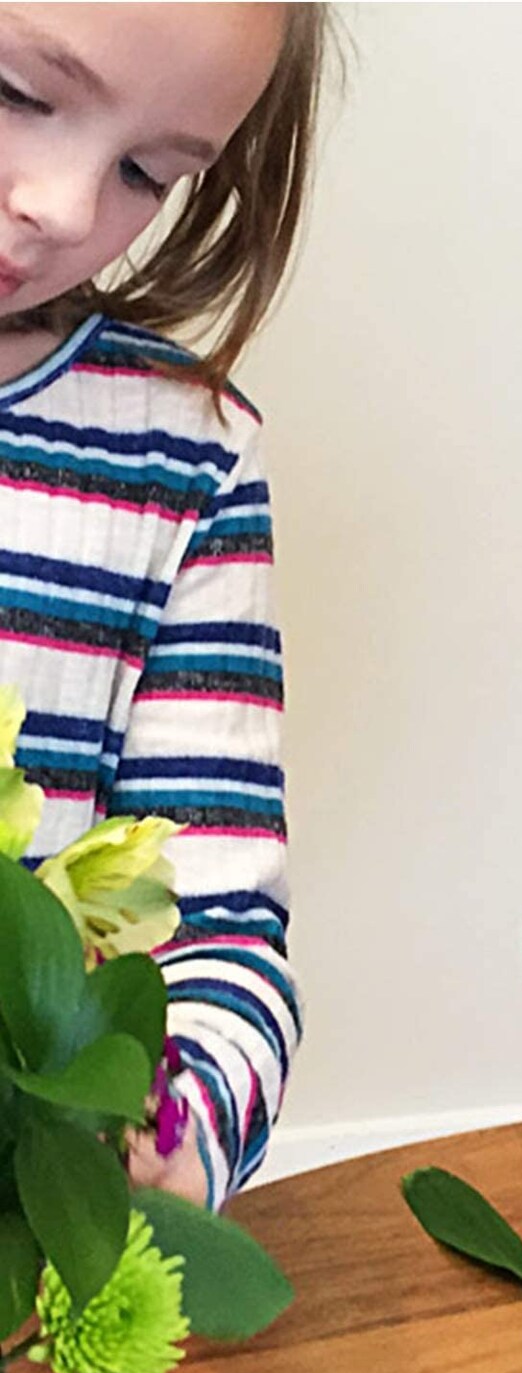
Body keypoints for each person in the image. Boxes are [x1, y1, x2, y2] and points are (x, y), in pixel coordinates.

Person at [0, 4, 332, 1209]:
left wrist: (174, 1131)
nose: (69, 207)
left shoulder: (184, 463)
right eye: (18, 91)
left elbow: (222, 926)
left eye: (148, 171)